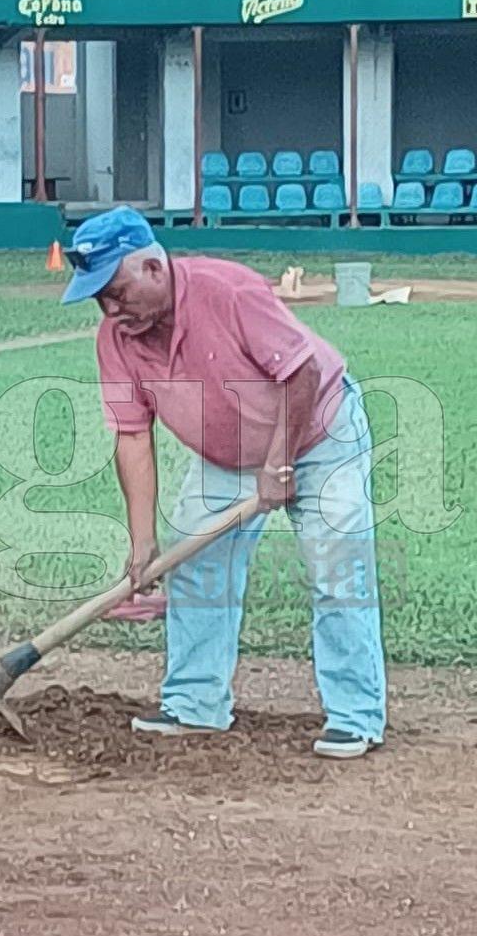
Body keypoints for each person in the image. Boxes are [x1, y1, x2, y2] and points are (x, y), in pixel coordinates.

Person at [61, 206, 386, 760]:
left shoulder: (227, 290)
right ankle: (194, 705)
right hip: (227, 455)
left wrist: (278, 465)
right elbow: (132, 436)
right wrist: (143, 545)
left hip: (320, 432)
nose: (111, 309)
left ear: (153, 268)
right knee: (194, 570)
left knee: (337, 571)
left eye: (117, 291)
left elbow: (301, 372)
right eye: (100, 299)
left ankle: (356, 716)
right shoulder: (116, 339)